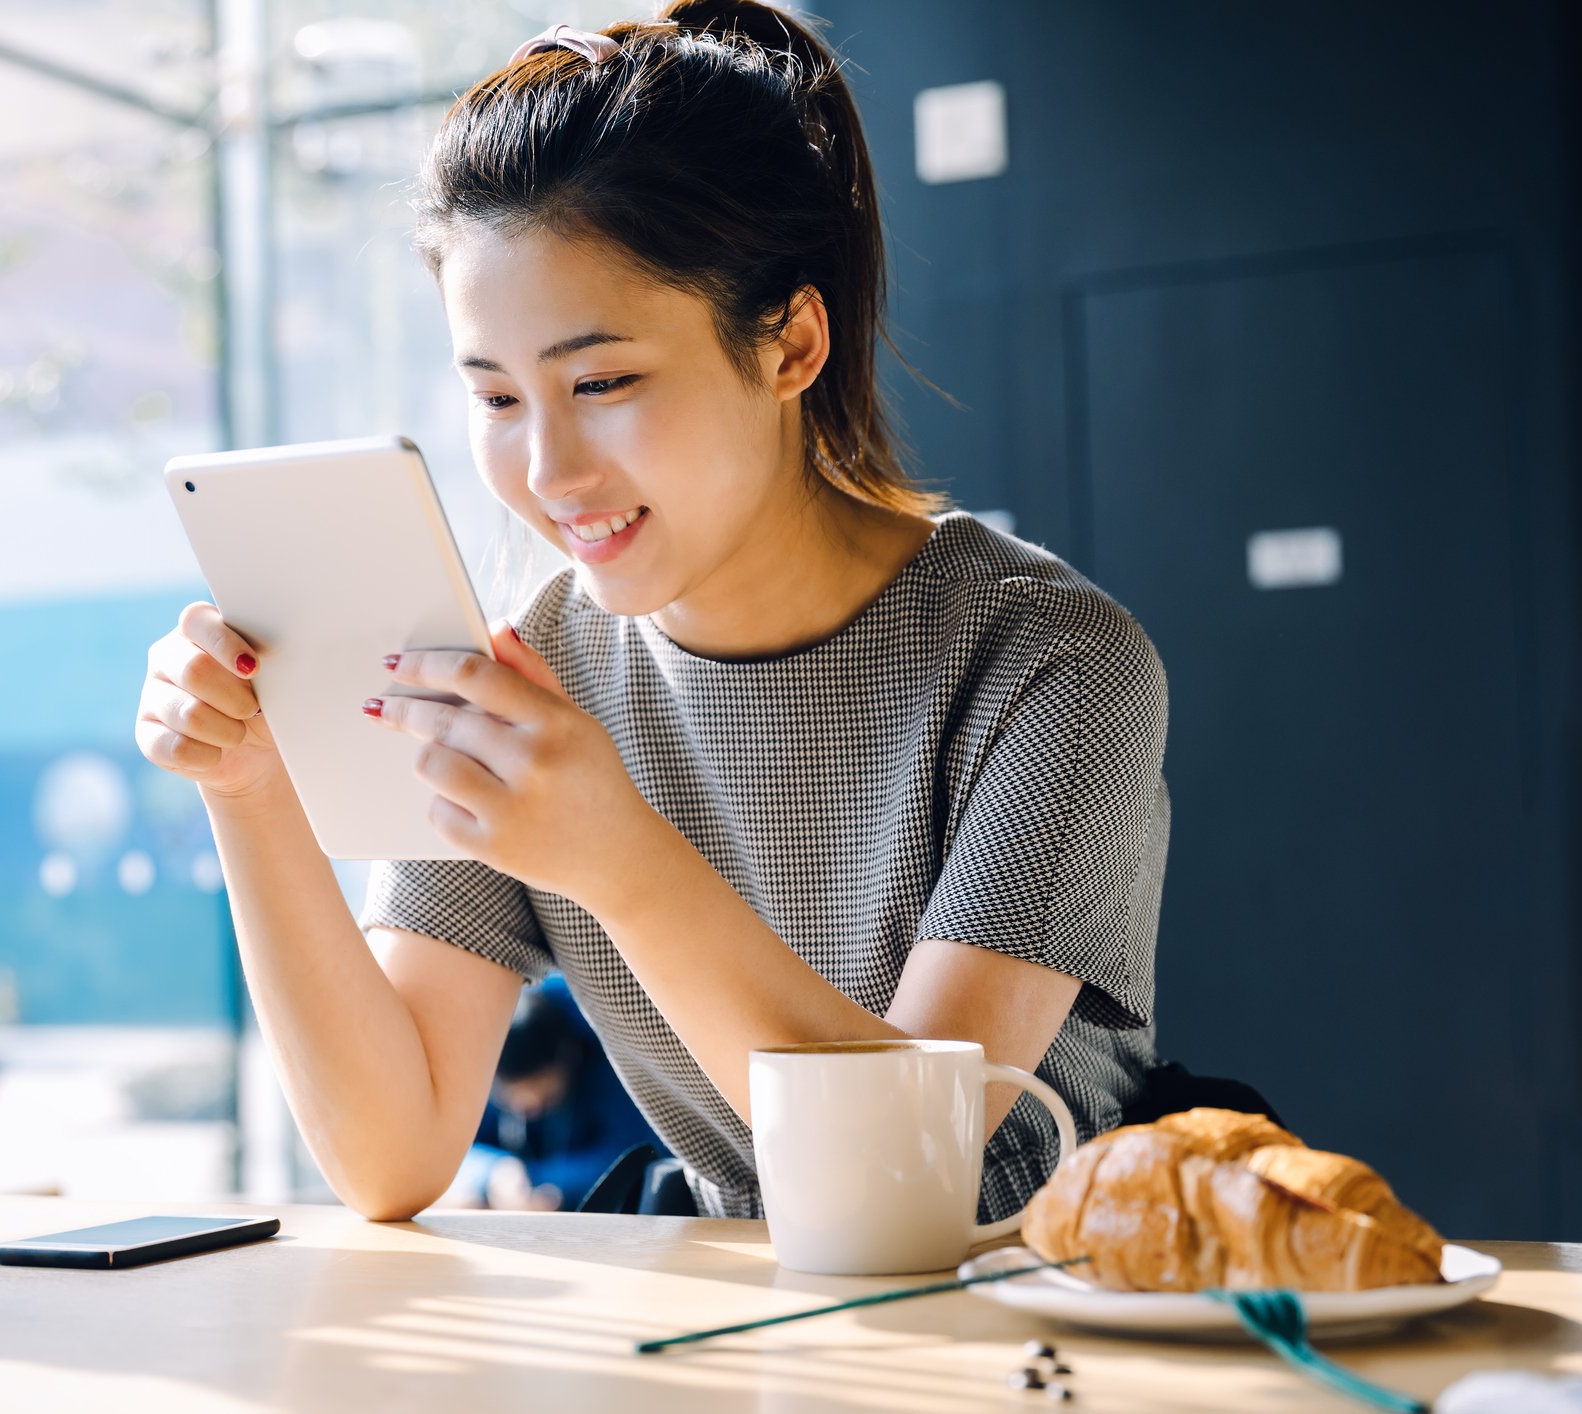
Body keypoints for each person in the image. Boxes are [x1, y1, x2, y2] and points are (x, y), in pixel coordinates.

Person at [135, 0, 1169, 1224]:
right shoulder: (536, 664)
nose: (550, 471)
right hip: (729, 1322)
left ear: (790, 344)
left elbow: (916, 1181)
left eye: (604, 381)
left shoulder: (1048, 661)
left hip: (1044, 1318)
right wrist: (252, 793)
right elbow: (390, 1151)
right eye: (497, 398)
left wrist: (618, 858)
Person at [448, 975, 661, 1211]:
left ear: (568, 1056)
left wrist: (540, 1181)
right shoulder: (484, 1059)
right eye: (509, 1099)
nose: (527, 1107)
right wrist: (494, 1170)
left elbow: (634, 1151)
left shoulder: (614, 1061)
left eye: (543, 1095)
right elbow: (454, 1145)